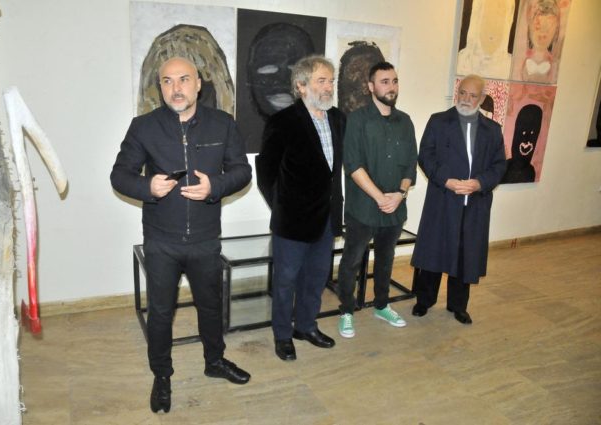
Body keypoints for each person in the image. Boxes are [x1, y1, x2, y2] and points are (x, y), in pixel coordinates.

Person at [111, 57, 252, 414]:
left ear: (198, 84)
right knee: (161, 313)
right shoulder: (143, 127)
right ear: (160, 87)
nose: (176, 88)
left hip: (205, 237)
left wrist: (214, 186)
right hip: (162, 240)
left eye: (184, 79)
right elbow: (120, 175)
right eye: (168, 81)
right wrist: (147, 186)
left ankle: (214, 361)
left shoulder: (222, 124)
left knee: (211, 305)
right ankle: (162, 376)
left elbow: (242, 170)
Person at [256, 55, 346, 361]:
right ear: (301, 85)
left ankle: (306, 326)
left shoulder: (338, 118)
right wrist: (283, 206)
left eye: (331, 81)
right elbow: (266, 173)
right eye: (322, 80)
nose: (329, 87)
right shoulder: (282, 122)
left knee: (317, 278)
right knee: (285, 282)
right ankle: (283, 335)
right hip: (292, 221)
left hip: (327, 219)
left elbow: (333, 173)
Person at [410, 74, 506, 325]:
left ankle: (458, 306)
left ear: (482, 99)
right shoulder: (439, 121)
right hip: (443, 198)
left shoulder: (493, 130)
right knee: (433, 252)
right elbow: (425, 156)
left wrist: (479, 183)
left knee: (466, 256)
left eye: (473, 95)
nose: (466, 99)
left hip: (475, 203)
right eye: (462, 92)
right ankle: (424, 300)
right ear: (457, 92)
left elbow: (499, 165)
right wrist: (447, 180)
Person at [335, 61, 417, 338]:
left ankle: (382, 305)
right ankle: (346, 310)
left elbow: (410, 165)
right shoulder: (357, 120)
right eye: (384, 82)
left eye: (394, 81)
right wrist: (381, 197)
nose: (391, 87)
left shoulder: (405, 121)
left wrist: (400, 194)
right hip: (363, 208)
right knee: (352, 260)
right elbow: (353, 165)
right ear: (371, 86)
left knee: (386, 259)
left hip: (395, 206)